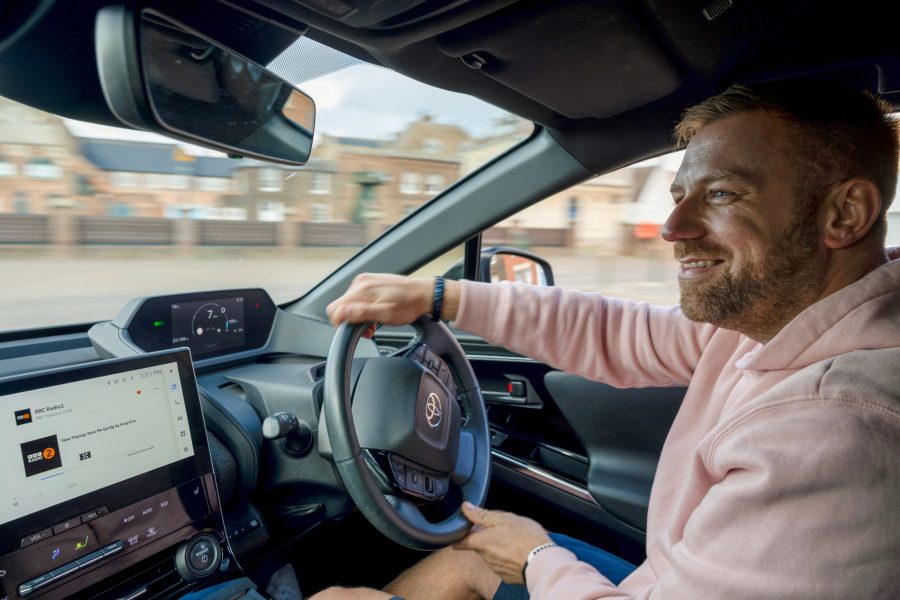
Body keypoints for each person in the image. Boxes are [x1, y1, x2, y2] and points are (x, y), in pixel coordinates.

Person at [315, 81, 900, 599]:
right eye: (679, 197)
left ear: (845, 214)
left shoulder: (837, 430)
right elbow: (621, 333)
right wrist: (443, 297)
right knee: (469, 558)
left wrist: (535, 558)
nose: (672, 229)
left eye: (722, 194)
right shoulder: (781, 320)